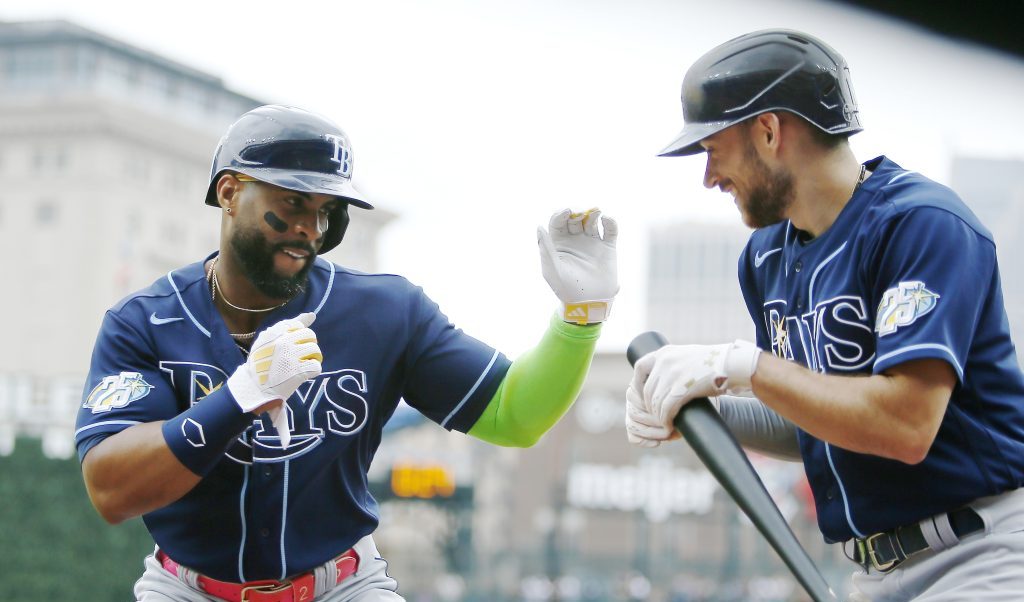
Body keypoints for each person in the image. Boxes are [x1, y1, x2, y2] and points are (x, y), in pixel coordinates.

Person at [75, 104, 619, 602]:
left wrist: (580, 319)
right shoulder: (145, 320)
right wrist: (240, 396)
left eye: (327, 209)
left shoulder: (384, 310)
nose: (310, 228)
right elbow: (111, 489)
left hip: (343, 586)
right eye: (291, 202)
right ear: (229, 192)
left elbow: (513, 416)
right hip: (188, 589)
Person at [625, 29, 1024, 601]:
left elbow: (905, 427)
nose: (708, 176)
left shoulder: (922, 224)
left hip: (980, 554)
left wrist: (739, 363)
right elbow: (819, 427)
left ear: (768, 131)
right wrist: (704, 409)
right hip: (871, 574)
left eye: (712, 149)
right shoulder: (764, 259)